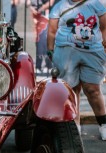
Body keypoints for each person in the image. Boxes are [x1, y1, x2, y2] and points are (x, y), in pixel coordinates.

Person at [47, 0, 106, 140]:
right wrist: (50, 50)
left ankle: (103, 124)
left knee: (93, 89)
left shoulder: (95, 4)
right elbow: (52, 31)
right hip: (66, 52)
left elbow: (104, 26)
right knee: (72, 90)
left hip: (92, 52)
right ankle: (75, 127)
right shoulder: (59, 6)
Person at [28, 0, 54, 74]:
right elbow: (28, 4)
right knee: (38, 41)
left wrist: (41, 9)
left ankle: (48, 65)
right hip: (35, 18)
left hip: (46, 18)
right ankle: (38, 66)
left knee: (46, 42)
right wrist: (31, 8)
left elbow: (51, 2)